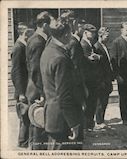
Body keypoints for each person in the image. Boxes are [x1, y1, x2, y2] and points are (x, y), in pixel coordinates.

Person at [40, 18, 83, 150]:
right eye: (70, 33)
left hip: (53, 116)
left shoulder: (48, 50)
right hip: (63, 119)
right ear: (66, 35)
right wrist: (74, 123)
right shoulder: (60, 58)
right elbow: (64, 95)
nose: (71, 36)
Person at [25, 11, 52, 150]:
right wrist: (42, 93)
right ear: (45, 24)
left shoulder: (34, 38)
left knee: (34, 124)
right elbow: (36, 70)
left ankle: (33, 149)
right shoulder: (37, 42)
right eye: (51, 23)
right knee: (39, 124)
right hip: (37, 89)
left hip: (34, 87)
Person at [11, 23, 34, 148]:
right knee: (25, 117)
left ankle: (24, 142)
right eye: (29, 32)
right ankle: (23, 143)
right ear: (24, 33)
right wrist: (20, 93)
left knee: (26, 118)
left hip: (25, 88)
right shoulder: (18, 47)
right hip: (22, 90)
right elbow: (16, 72)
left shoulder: (24, 46)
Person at [80, 24, 100, 130]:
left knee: (92, 104)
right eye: (91, 32)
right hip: (88, 80)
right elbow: (86, 63)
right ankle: (87, 126)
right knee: (89, 104)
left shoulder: (89, 44)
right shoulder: (83, 44)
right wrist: (94, 58)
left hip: (92, 79)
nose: (93, 34)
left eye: (94, 33)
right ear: (85, 32)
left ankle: (89, 125)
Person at [94, 27, 113, 128]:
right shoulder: (96, 47)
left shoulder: (105, 46)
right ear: (100, 36)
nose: (108, 38)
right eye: (106, 36)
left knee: (104, 100)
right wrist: (100, 80)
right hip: (101, 80)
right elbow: (97, 67)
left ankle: (102, 120)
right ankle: (99, 121)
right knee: (100, 102)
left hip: (107, 78)